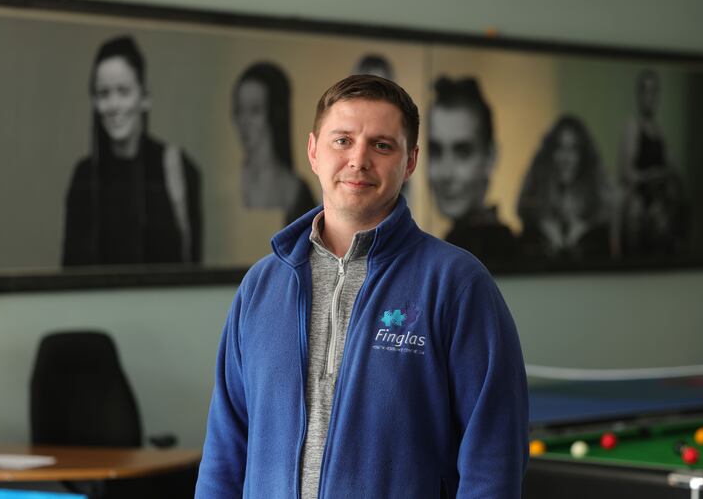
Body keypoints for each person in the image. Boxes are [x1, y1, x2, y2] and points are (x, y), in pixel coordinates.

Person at [196, 75, 528, 498]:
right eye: (342, 141)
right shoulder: (261, 286)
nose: (359, 160)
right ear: (314, 150)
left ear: (410, 162)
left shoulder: (456, 284)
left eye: (382, 145)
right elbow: (225, 451)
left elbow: (494, 454)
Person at [62, 35, 202, 266]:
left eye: (123, 91)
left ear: (144, 97)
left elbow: (192, 267)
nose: (114, 105)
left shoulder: (178, 168)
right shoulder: (85, 176)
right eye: (103, 94)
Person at [427, 76, 517, 267]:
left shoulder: (500, 251)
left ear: (490, 157)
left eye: (463, 152)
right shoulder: (448, 246)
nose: (446, 173)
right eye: (435, 151)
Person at [517, 115, 613, 259]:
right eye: (560, 148)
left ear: (583, 157)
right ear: (550, 154)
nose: (566, 158)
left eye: (573, 149)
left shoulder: (598, 222)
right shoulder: (534, 220)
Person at [232, 62, 316, 226]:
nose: (244, 122)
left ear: (274, 114)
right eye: (239, 110)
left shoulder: (294, 190)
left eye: (255, 110)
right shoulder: (232, 180)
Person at [618, 69, 688, 255]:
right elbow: (627, 174)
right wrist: (655, 175)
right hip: (640, 202)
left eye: (654, 91)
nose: (650, 97)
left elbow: (673, 168)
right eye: (646, 91)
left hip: (660, 203)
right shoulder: (633, 126)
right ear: (639, 95)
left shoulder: (659, 132)